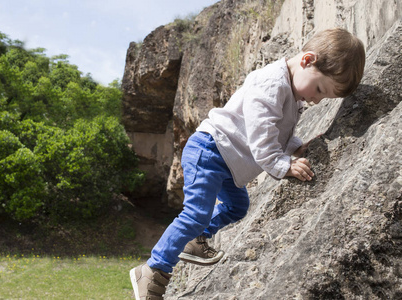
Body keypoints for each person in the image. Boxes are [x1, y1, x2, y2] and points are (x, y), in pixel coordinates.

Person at [130, 28, 366, 300]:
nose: (316, 100)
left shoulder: (293, 91)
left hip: (227, 160)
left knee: (237, 206)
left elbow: (279, 133)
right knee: (195, 213)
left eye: (324, 98)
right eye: (320, 90)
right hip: (210, 151)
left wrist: (294, 148)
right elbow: (261, 139)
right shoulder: (271, 83)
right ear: (307, 60)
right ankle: (153, 270)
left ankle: (195, 240)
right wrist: (284, 165)